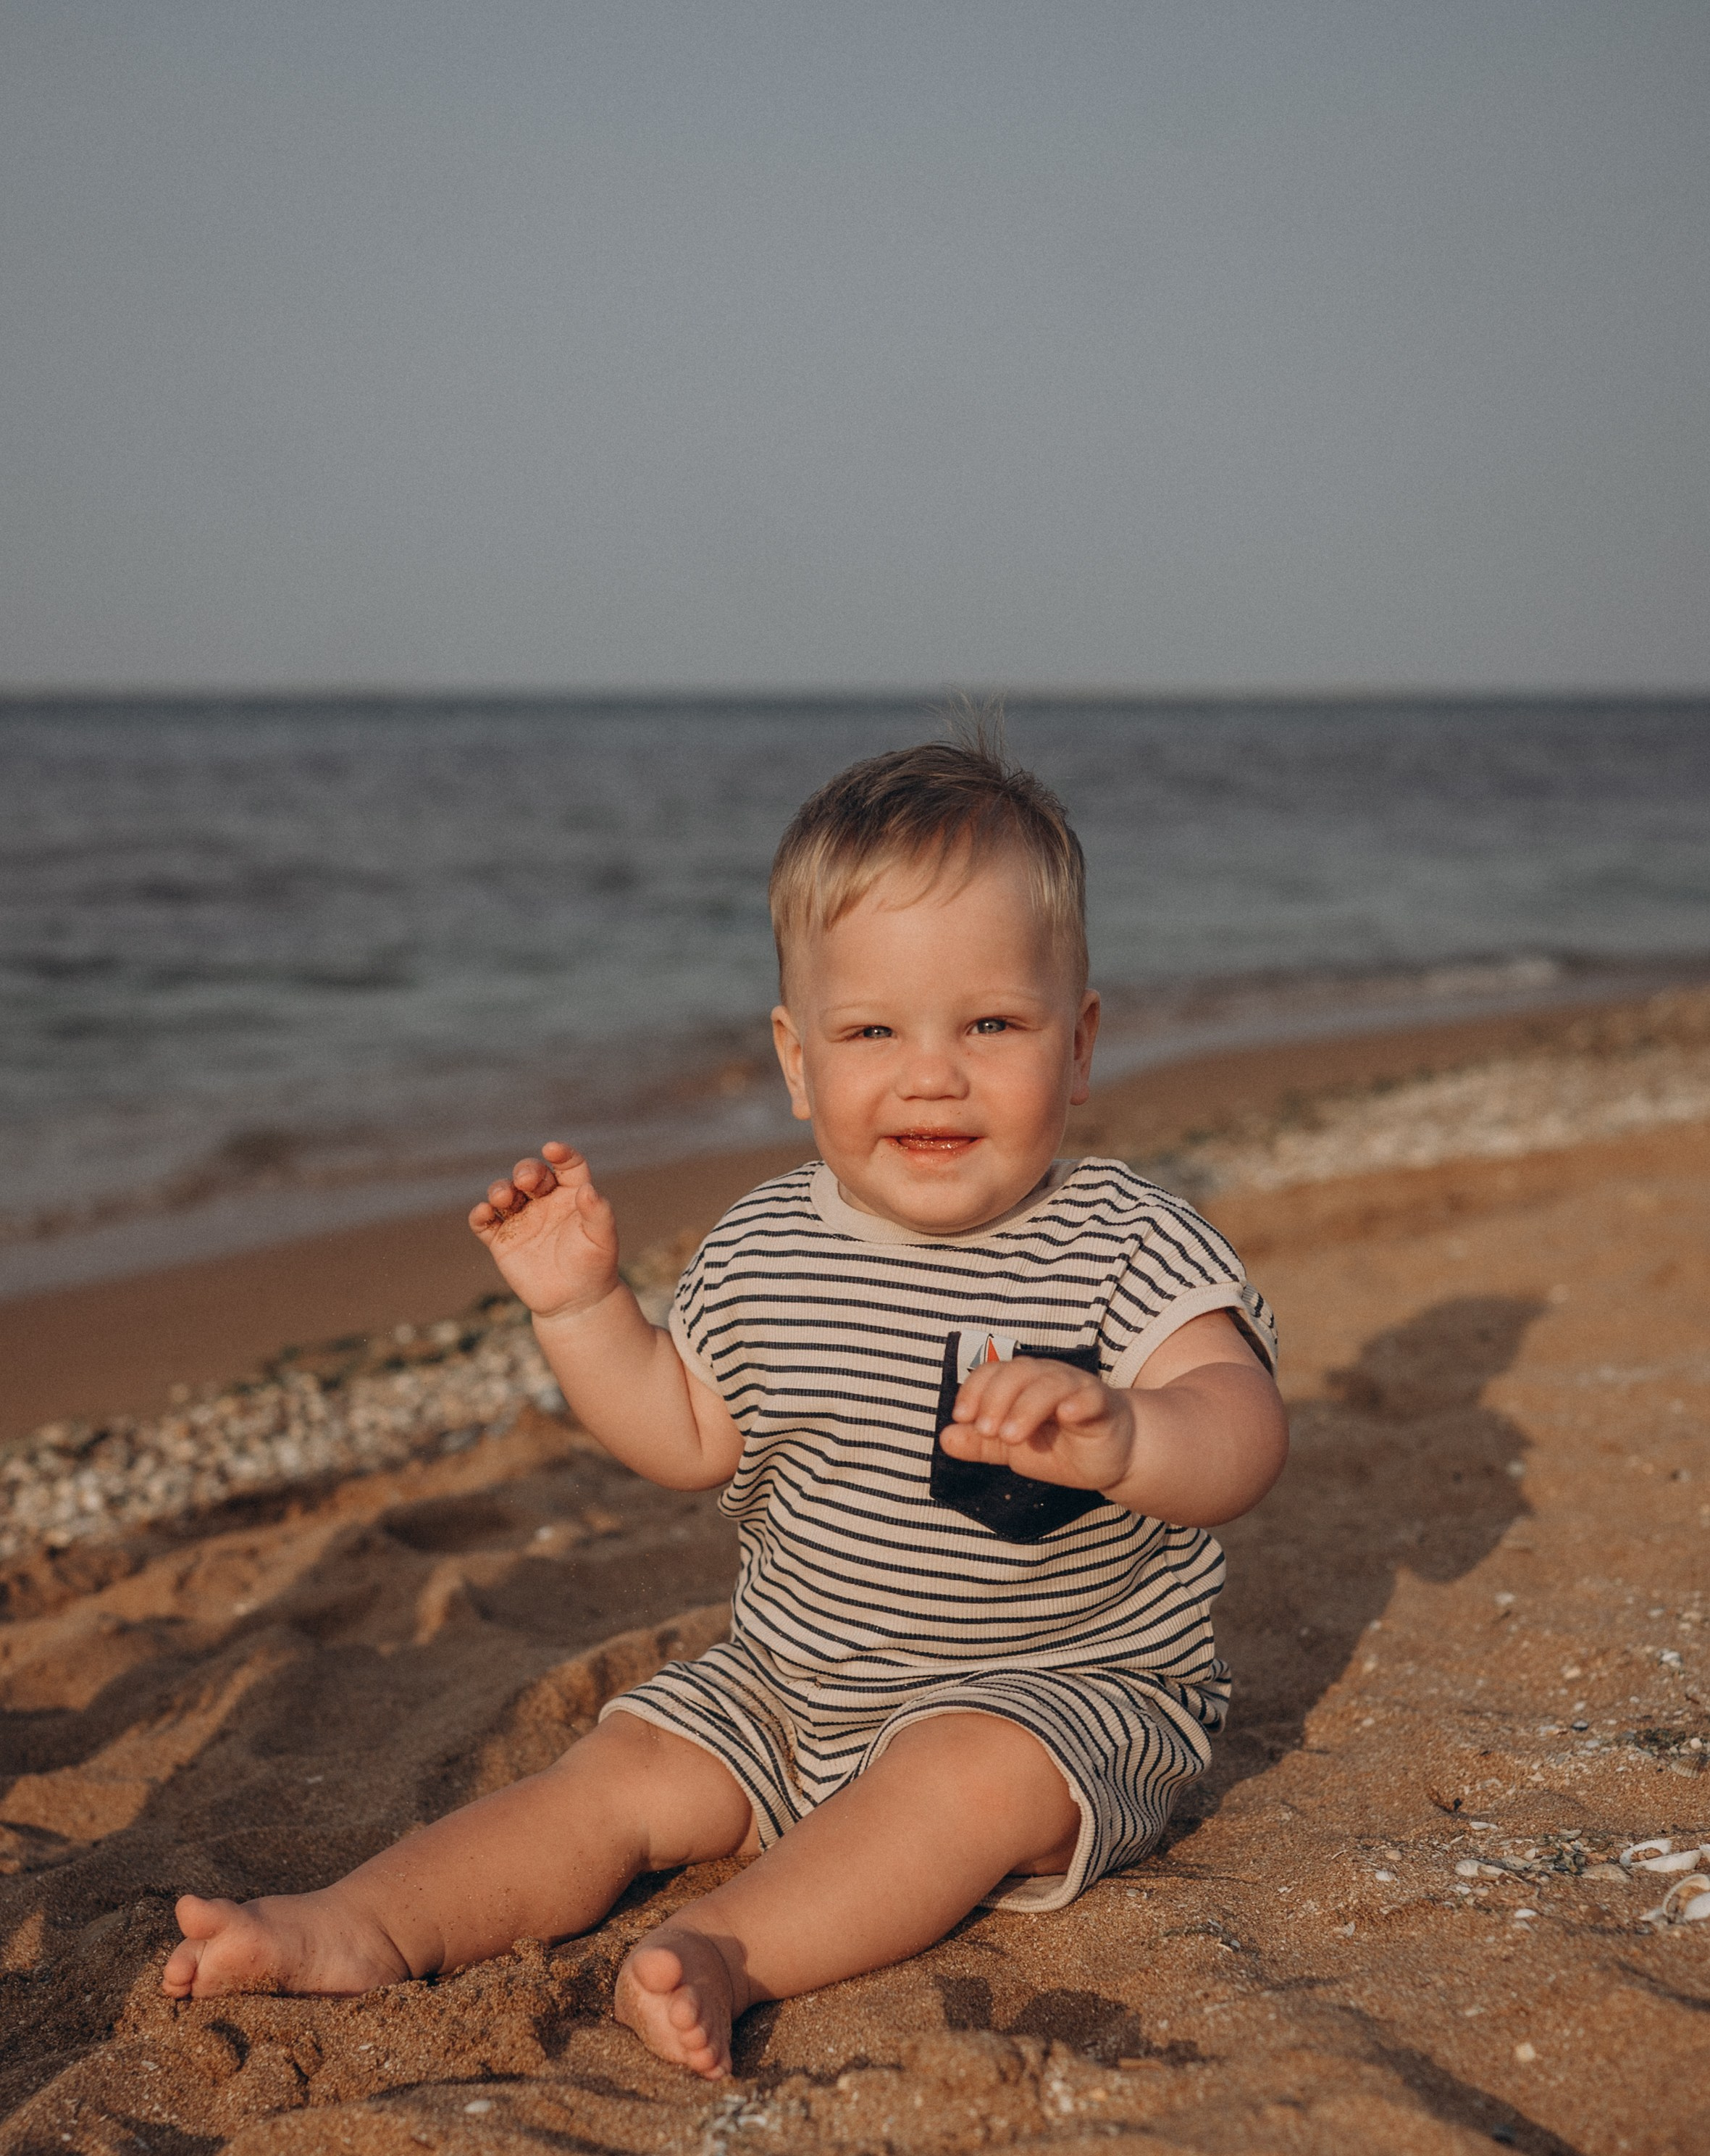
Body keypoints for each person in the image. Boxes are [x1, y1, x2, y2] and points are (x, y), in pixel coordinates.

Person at [164, 737, 1288, 2077]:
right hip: (791, 1685)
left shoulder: (1122, 1237)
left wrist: (1130, 1432)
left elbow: (1238, 1425)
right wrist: (584, 1312)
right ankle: (357, 1925)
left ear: (1081, 1041)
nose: (931, 1073)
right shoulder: (762, 1246)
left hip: (1063, 1692)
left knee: (966, 1779)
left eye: (991, 1024)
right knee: (617, 1769)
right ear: (797, 1059)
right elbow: (684, 1433)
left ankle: (727, 1949)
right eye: (871, 1030)